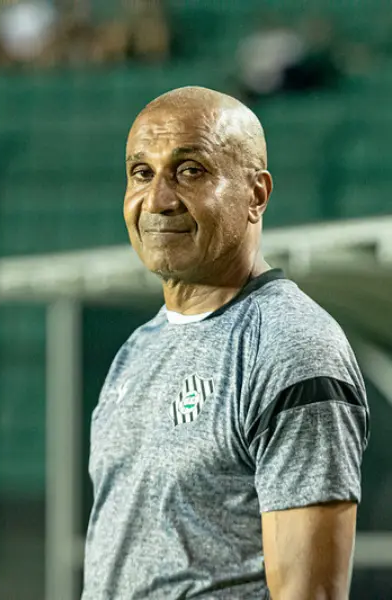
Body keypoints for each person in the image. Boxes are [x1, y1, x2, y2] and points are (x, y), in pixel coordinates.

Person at [82, 86, 369, 599]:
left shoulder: (290, 347)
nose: (159, 199)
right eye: (141, 173)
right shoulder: (138, 347)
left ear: (256, 194)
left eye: (190, 170)